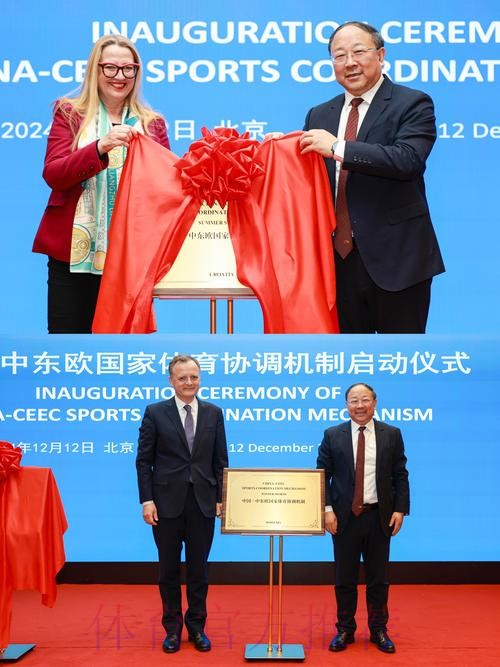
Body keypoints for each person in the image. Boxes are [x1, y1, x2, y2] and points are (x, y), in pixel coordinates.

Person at [300, 21, 445, 333]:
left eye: (358, 52)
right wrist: (281, 150)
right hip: (336, 261)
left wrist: (338, 147)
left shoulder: (412, 103)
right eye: (340, 56)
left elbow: (407, 160)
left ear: (380, 55)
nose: (349, 62)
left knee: (400, 356)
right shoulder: (319, 114)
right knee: (346, 357)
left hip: (398, 259)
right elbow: (306, 178)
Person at [32, 34, 170, 333]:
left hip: (131, 256)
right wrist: (100, 147)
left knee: (123, 346)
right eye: (110, 67)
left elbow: (166, 186)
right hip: (72, 253)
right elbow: (54, 173)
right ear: (95, 69)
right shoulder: (70, 113)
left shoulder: (152, 123)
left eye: (128, 68)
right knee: (69, 346)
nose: (120, 76)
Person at [136, 355, 228, 654]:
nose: (189, 382)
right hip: (165, 504)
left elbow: (221, 460)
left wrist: (221, 498)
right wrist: (147, 500)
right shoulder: (155, 412)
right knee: (169, 570)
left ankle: (197, 627)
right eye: (183, 378)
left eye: (194, 377)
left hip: (203, 503)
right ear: (171, 381)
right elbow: (144, 461)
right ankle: (172, 629)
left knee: (199, 570)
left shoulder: (214, 413)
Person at [316, 382, 409, 654]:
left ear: (374, 403)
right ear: (347, 405)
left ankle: (379, 629)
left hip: (379, 516)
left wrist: (400, 509)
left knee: (378, 579)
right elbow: (322, 475)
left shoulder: (391, 434)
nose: (359, 405)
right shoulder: (333, 434)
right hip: (344, 518)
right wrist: (327, 510)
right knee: (344, 579)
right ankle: (345, 629)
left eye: (365, 400)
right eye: (354, 400)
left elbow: (400, 474)